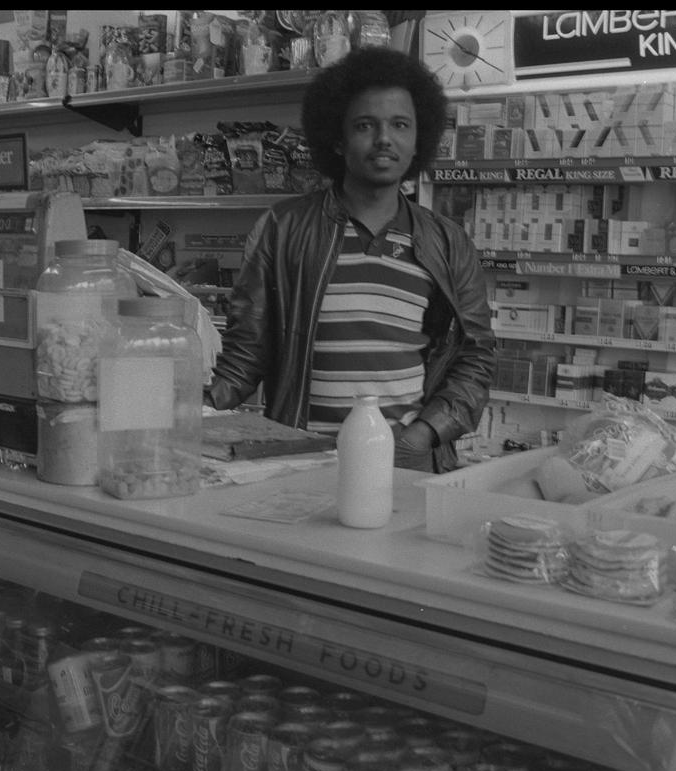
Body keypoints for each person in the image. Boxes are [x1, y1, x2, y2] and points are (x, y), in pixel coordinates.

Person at [204, 47, 497, 473]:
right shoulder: (283, 228)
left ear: (419, 140)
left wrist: (422, 435)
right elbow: (248, 351)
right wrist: (193, 409)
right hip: (299, 464)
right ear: (338, 139)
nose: (384, 138)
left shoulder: (448, 242)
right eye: (365, 125)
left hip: (403, 463)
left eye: (400, 125)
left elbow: (476, 354)